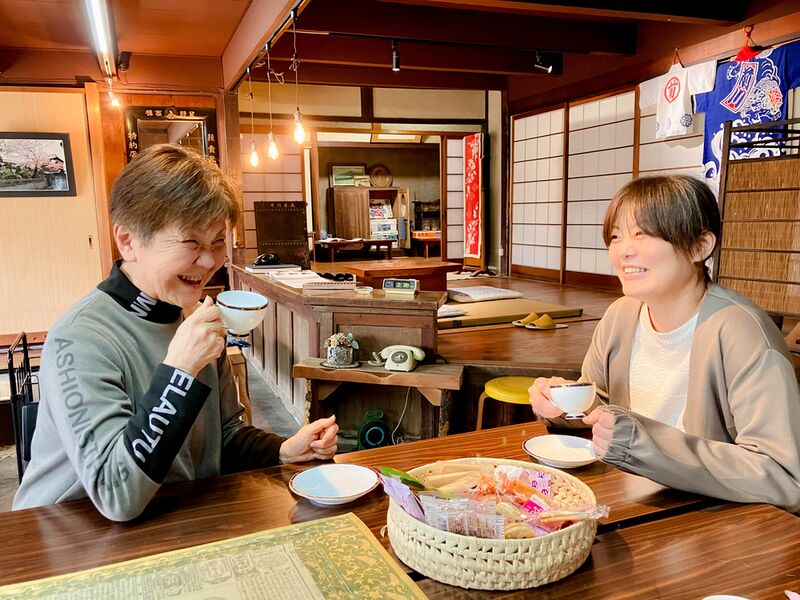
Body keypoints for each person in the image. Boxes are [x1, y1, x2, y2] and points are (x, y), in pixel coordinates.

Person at [13, 144, 339, 521]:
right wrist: (179, 372)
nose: (209, 261)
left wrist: (283, 450)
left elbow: (225, 436)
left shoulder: (192, 321)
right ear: (128, 241)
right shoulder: (81, 338)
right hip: (66, 545)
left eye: (218, 242)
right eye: (191, 243)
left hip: (174, 522)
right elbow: (116, 494)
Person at [529, 175, 800, 512]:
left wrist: (641, 443)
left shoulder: (740, 332)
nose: (623, 250)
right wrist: (559, 404)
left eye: (643, 234)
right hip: (632, 497)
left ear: (701, 246)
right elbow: (601, 413)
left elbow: (783, 474)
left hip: (711, 517)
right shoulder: (621, 316)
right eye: (616, 236)